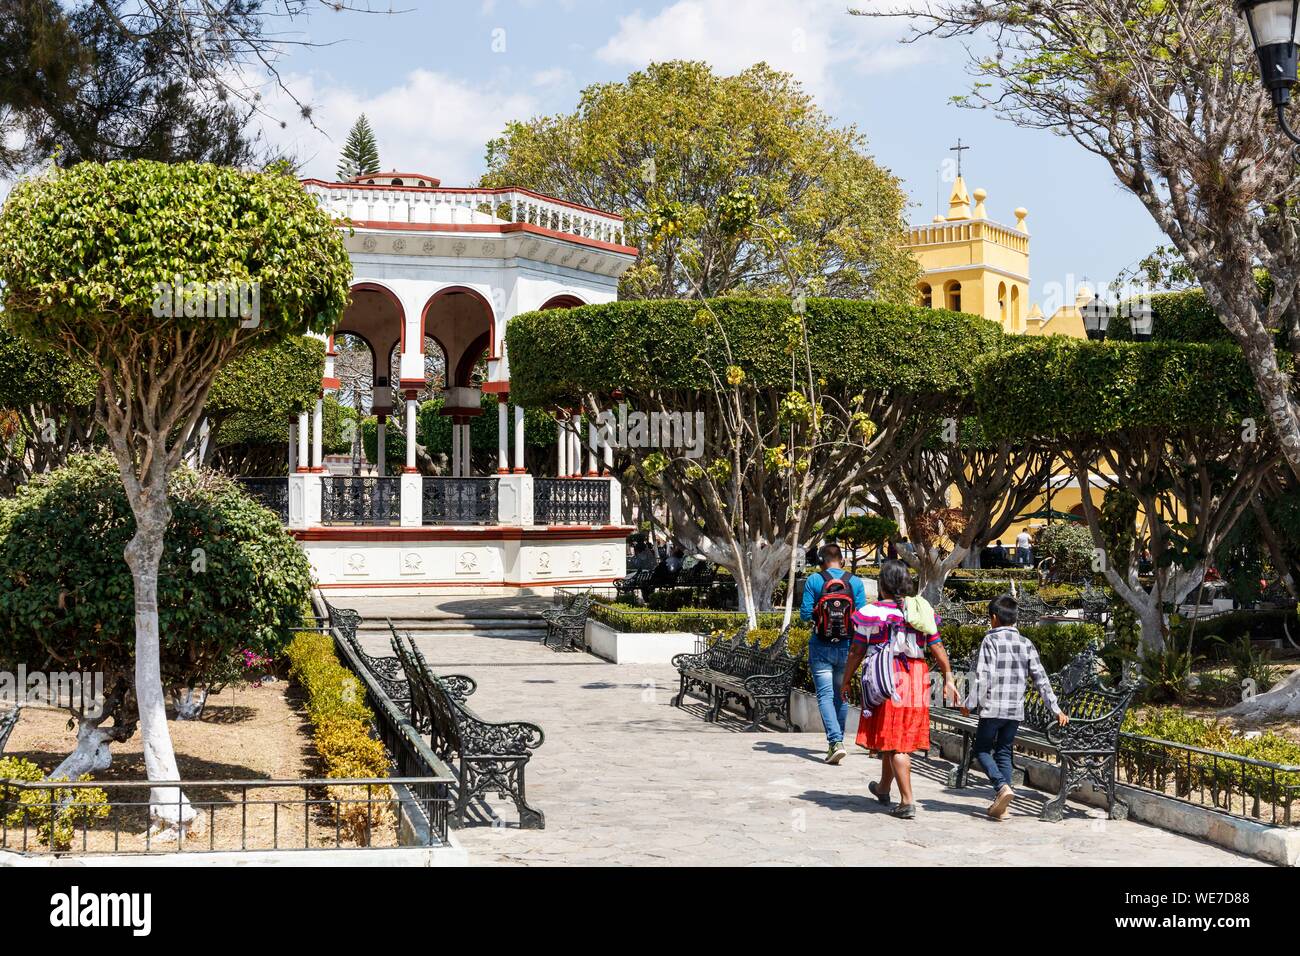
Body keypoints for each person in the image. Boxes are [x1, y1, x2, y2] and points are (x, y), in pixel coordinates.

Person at [842, 559, 958, 819]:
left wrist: (846, 679)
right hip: (916, 676)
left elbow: (857, 650)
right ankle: (883, 788)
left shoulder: (872, 613)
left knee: (898, 743)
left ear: (883, 585)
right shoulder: (920, 610)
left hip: (887, 678)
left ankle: (907, 801)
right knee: (893, 735)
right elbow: (937, 646)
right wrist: (948, 676)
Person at [963, 594, 1069, 820]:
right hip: (1014, 711)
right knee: (1004, 751)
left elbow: (983, 677)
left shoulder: (990, 641)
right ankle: (1004, 803)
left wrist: (969, 704)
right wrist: (1056, 709)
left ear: (993, 618)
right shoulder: (1026, 644)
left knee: (981, 749)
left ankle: (1001, 786)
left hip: (992, 708)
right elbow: (1041, 679)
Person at [800, 544, 869, 764]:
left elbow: (803, 615)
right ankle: (837, 741)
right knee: (842, 694)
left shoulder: (814, 580)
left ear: (822, 561)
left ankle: (835, 742)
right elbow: (862, 618)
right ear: (842, 559)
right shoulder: (855, 582)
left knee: (825, 695)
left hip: (821, 645)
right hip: (848, 647)